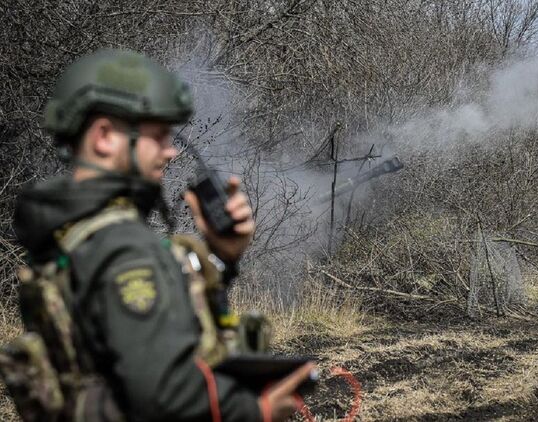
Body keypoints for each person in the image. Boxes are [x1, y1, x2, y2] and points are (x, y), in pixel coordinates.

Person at [11, 49, 314, 421]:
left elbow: (106, 358)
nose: (171, 151)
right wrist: (256, 410)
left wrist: (222, 257)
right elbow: (164, 395)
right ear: (104, 137)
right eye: (158, 135)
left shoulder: (65, 232)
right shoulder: (123, 247)